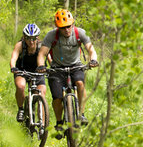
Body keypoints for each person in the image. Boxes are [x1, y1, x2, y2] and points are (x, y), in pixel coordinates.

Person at [36, 9, 98, 139]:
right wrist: (41, 65)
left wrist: (93, 59)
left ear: (73, 24)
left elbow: (91, 49)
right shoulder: (51, 35)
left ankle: (81, 114)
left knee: (80, 83)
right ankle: (59, 123)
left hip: (76, 66)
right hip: (57, 68)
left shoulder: (79, 33)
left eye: (68, 26)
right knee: (57, 97)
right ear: (58, 27)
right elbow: (42, 53)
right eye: (63, 28)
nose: (66, 30)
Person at [9, 23, 47, 122]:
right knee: (21, 86)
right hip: (22, 70)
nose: (31, 41)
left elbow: (50, 58)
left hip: (37, 72)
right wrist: (13, 67)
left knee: (41, 93)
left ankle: (42, 122)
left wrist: (53, 68)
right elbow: (13, 58)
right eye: (28, 38)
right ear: (24, 37)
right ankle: (21, 109)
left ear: (37, 38)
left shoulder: (41, 46)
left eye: (33, 38)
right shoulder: (20, 45)